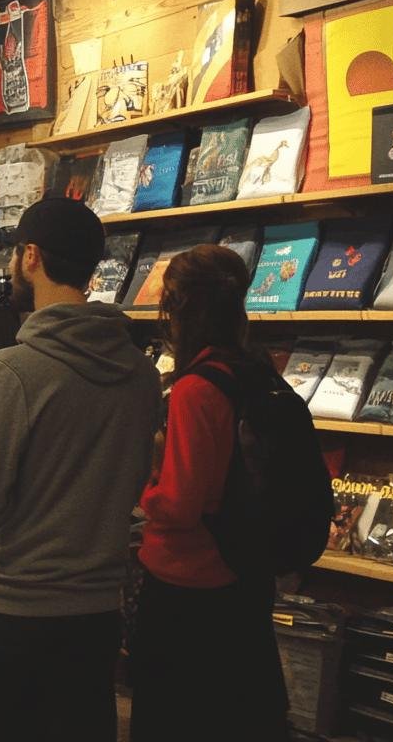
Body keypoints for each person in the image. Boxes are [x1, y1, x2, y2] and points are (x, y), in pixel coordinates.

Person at [0, 198, 162, 742]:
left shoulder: (15, 369)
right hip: (97, 611)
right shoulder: (141, 374)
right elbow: (135, 482)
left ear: (31, 256)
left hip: (15, 607)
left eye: (12, 256)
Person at [130, 244, 289, 741]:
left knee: (172, 719)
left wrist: (144, 488)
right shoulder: (258, 372)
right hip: (245, 572)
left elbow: (179, 504)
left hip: (188, 585)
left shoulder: (196, 389)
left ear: (179, 308)